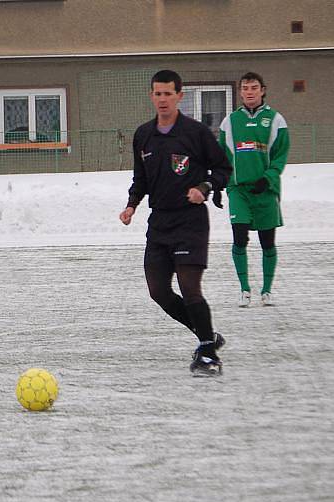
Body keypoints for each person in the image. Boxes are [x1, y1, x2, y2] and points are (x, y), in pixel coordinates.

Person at [119, 70, 232, 376]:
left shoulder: (195, 133)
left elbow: (223, 168)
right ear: (151, 96)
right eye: (157, 93)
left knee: (189, 288)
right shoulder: (144, 135)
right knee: (158, 291)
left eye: (168, 93)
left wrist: (205, 189)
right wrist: (131, 205)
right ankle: (207, 337)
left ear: (180, 96)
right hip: (159, 223)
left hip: (190, 221)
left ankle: (209, 355)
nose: (163, 99)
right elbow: (140, 178)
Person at [219, 72, 290, 307]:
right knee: (240, 237)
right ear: (240, 92)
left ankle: (267, 291)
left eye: (254, 87)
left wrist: (269, 177)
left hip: (266, 190)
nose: (249, 91)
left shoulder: (276, 120)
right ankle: (244, 289)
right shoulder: (229, 122)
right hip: (239, 190)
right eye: (245, 87)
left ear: (263, 90)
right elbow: (222, 156)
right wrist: (220, 184)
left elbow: (281, 155)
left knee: (267, 242)